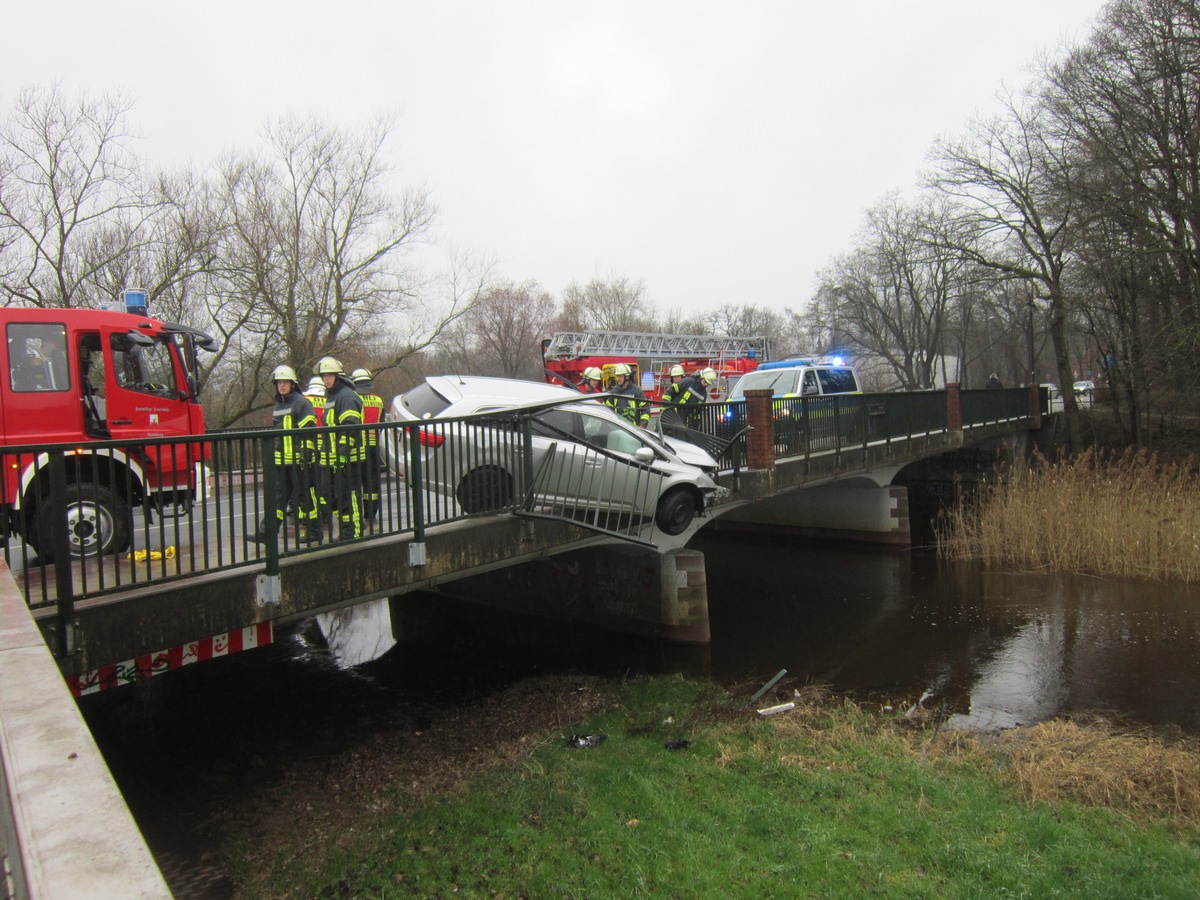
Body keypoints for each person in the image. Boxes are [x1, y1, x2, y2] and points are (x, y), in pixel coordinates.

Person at [252, 364, 321, 545]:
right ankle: (266, 533)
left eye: (286, 382)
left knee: (305, 498)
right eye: (279, 382)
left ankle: (314, 531)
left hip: (299, 461)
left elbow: (309, 430)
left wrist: (305, 455)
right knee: (276, 499)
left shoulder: (301, 403)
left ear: (293, 384)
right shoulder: (278, 405)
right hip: (282, 461)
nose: (282, 385)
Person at [317, 356, 364, 540]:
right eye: (324, 376)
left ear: (337, 376)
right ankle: (348, 526)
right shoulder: (332, 396)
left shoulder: (346, 396)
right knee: (326, 495)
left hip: (345, 458)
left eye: (329, 375)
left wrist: (343, 456)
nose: (326, 379)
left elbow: (349, 427)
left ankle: (353, 530)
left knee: (347, 496)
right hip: (330, 458)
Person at [351, 367, 385, 528]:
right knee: (371, 481)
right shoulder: (378, 400)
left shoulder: (353, 399)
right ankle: (370, 513)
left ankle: (356, 511)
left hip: (358, 445)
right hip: (373, 445)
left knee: (355, 480)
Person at [304, 376, 333, 533]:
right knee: (323, 483)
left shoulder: (305, 399)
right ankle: (326, 514)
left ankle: (311, 518)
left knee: (311, 485)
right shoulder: (328, 399)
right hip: (326, 446)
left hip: (310, 445)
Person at [604, 363, 650, 428]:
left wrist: (642, 425)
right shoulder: (614, 391)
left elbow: (645, 409)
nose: (618, 379)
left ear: (627, 377)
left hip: (633, 429)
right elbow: (608, 410)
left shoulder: (636, 391)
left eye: (620, 376)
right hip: (618, 428)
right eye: (617, 376)